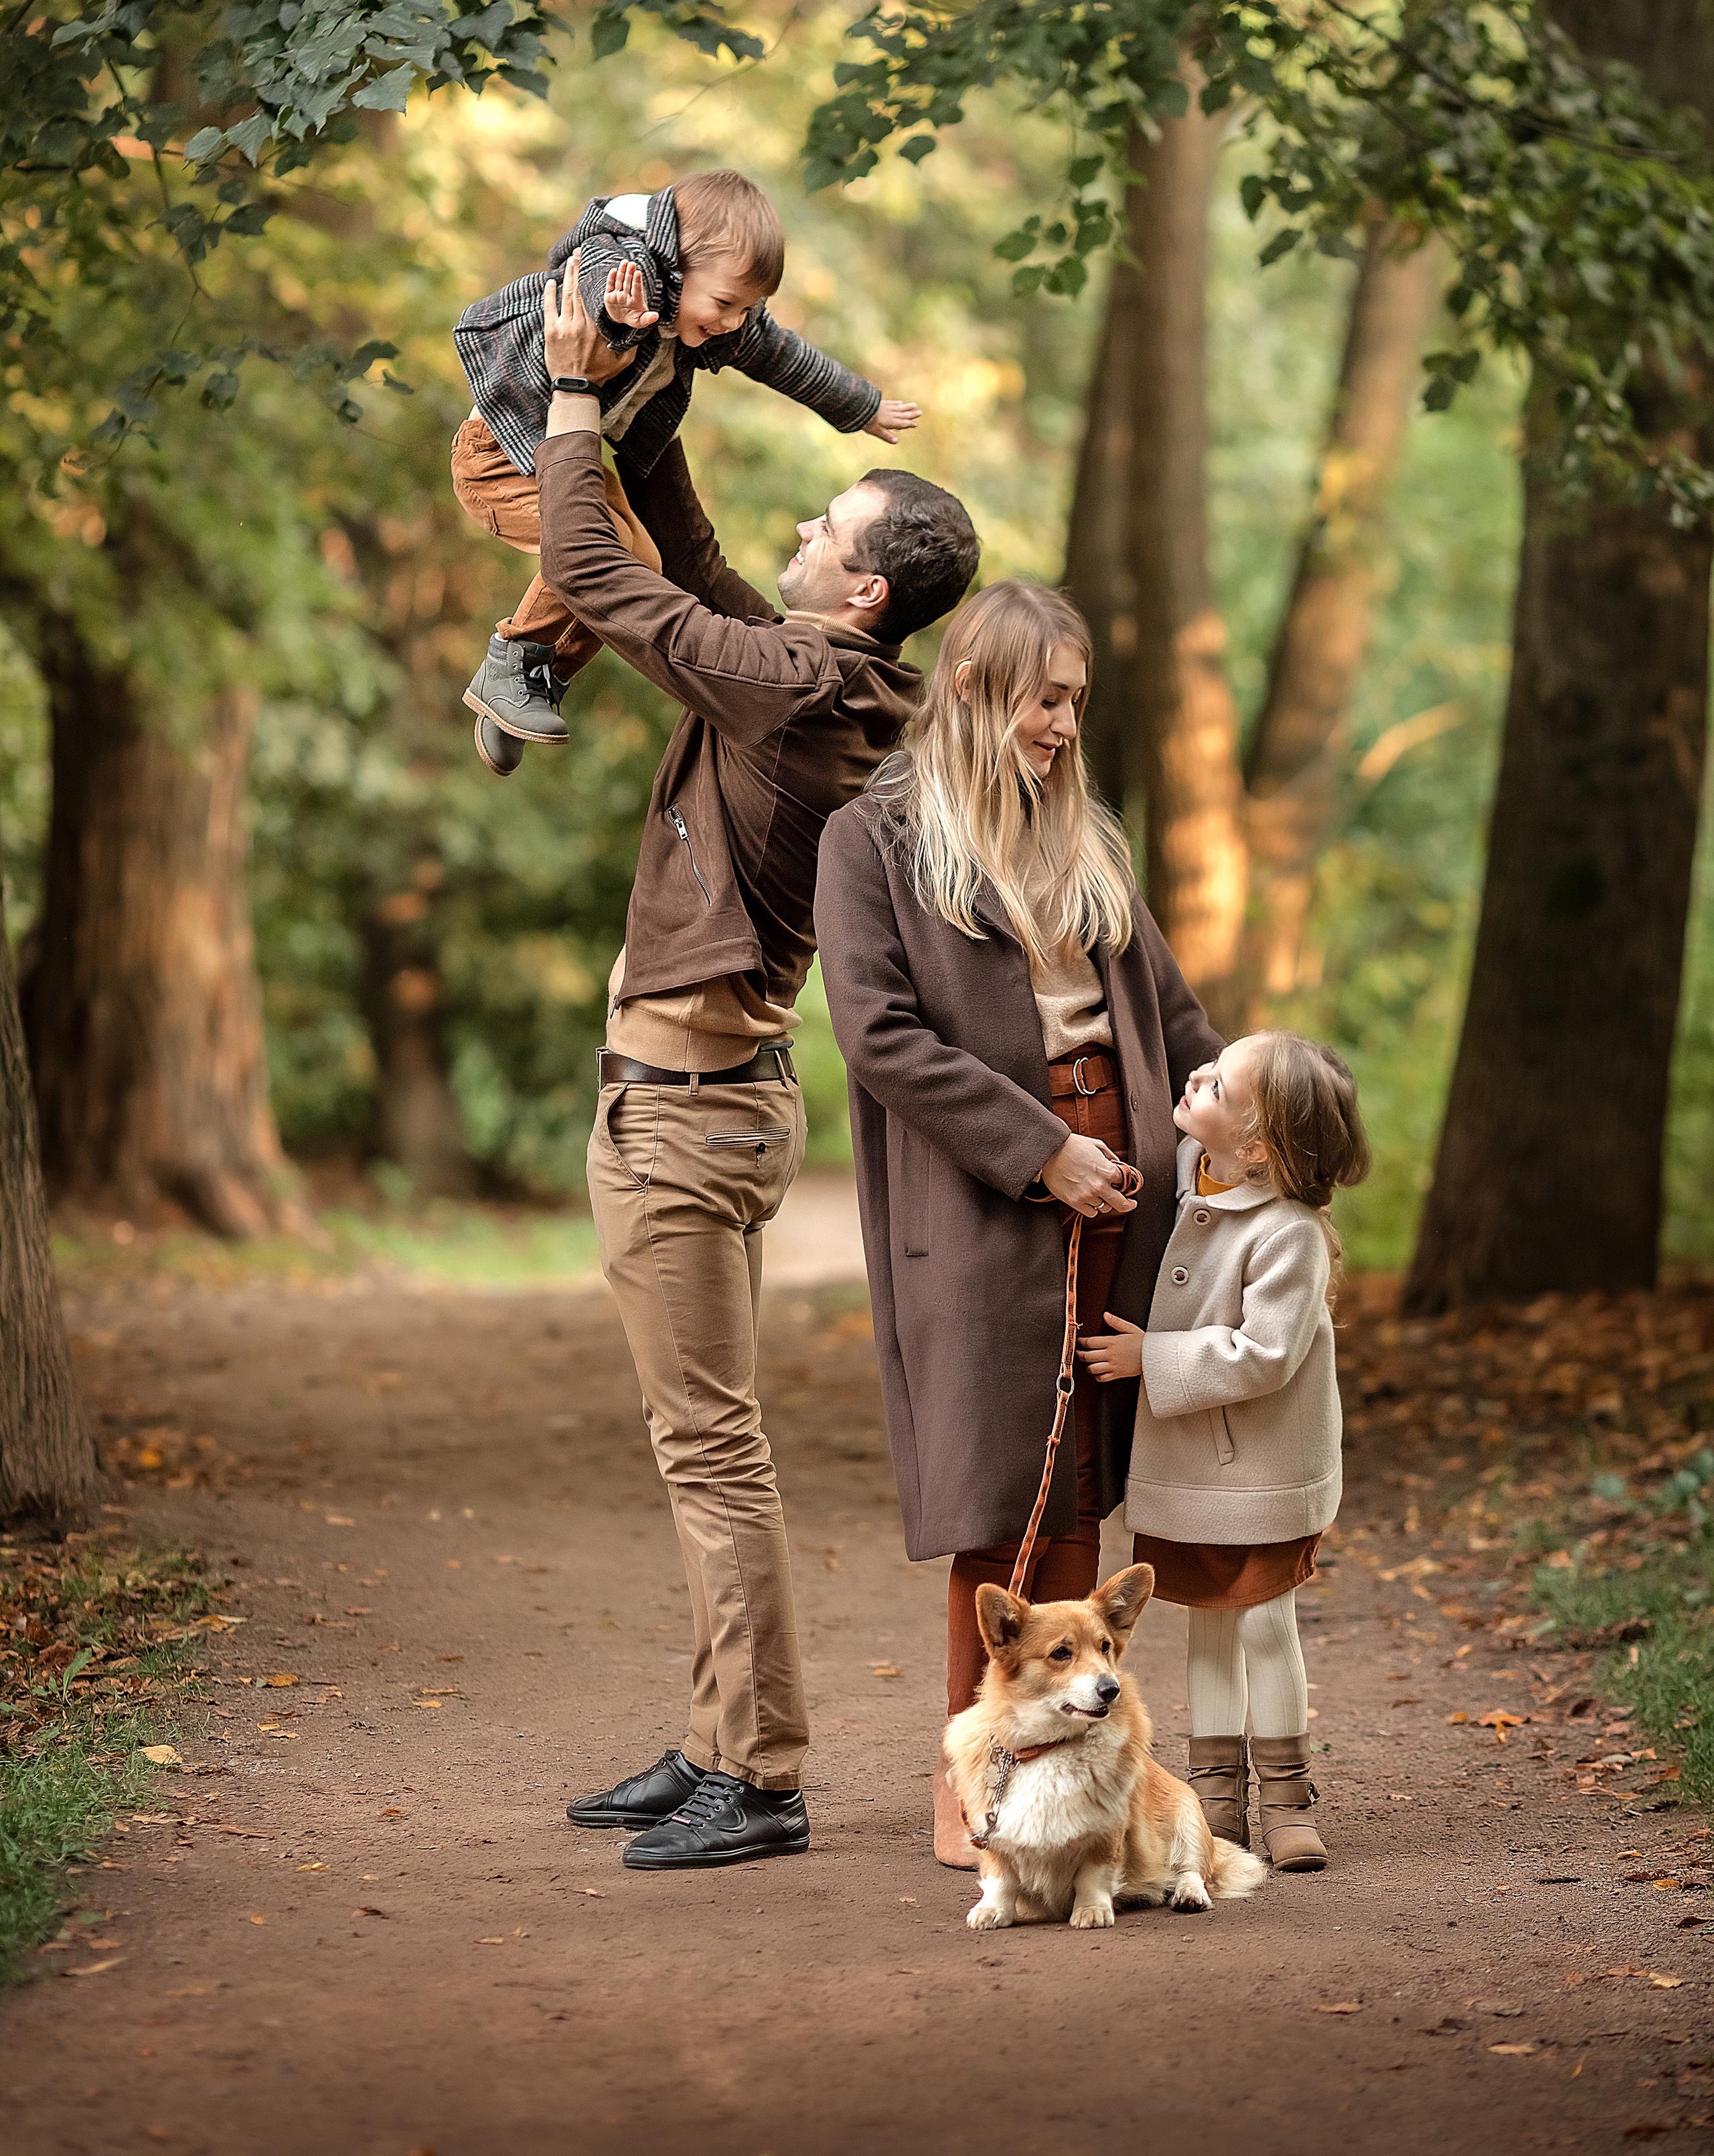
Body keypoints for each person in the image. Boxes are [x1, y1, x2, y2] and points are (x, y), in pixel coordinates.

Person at [536, 258, 980, 1870]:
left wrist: (576, 394)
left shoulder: (793, 692)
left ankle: (765, 1772)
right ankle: (721, 1736)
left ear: (861, 593)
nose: (796, 540)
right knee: (703, 1442)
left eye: (826, 535)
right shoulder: (827, 677)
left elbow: (595, 568)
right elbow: (696, 548)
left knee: (710, 1449)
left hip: (685, 1114)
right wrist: (668, 389)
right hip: (692, 1100)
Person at [812, 577, 1223, 1871]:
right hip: (988, 1192)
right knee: (999, 1495)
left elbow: (1175, 1014)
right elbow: (877, 1035)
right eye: (1047, 700)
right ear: (978, 687)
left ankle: (1078, 1786)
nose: (1062, 725)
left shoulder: (1084, 837)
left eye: (1076, 703)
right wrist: (1042, 1153)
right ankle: (976, 1777)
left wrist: (1248, 1131)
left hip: (1125, 1183)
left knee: (1080, 1498)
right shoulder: (871, 839)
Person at [449, 171, 920, 774]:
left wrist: (862, 406)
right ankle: (512, 666)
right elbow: (588, 284)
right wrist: (618, 317)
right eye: (725, 303)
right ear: (679, 264)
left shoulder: (715, 314)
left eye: (745, 308)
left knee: (644, 562)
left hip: (571, 458)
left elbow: (784, 356)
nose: (731, 321)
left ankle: (525, 682)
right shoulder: (627, 266)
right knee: (624, 560)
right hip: (499, 457)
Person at [1079, 1031, 1370, 1870]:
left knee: (1266, 1626)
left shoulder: (1290, 1235)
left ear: (1256, 1145)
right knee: (1207, 1629)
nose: (1194, 1077)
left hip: (1261, 1472)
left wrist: (1152, 1360)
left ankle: (1286, 1801)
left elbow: (1266, 1354)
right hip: (1189, 1472)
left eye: (1216, 1083)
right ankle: (1217, 1806)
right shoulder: (1181, 1173)